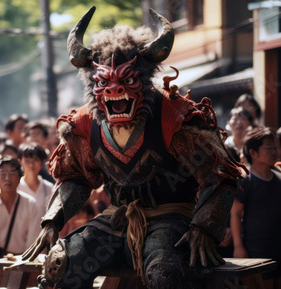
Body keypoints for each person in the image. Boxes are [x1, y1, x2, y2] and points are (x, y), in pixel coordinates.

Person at [22, 7, 244, 289]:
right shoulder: (83, 124)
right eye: (104, 82)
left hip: (170, 219)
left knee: (164, 274)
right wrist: (53, 219)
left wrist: (204, 227)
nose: (115, 90)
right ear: (93, 85)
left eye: (126, 80)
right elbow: (75, 178)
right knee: (59, 264)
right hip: (115, 220)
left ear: (144, 78)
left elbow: (219, 175)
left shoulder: (175, 116)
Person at [0, 157, 41, 288]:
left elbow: (34, 241)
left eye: (12, 174)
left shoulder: (31, 204)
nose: (8, 178)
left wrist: (30, 268)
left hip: (24, 261)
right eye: (3, 174)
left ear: (19, 178)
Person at [231, 127, 281, 288]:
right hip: (256, 250)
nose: (274, 151)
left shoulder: (279, 178)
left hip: (278, 246)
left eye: (274, 147)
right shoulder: (246, 181)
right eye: (268, 147)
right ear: (253, 153)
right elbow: (235, 214)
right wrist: (238, 247)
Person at [17, 143, 53, 218]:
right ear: (20, 161)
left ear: (42, 162)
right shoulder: (15, 187)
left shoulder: (49, 188)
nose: (31, 164)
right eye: (27, 161)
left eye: (35, 160)